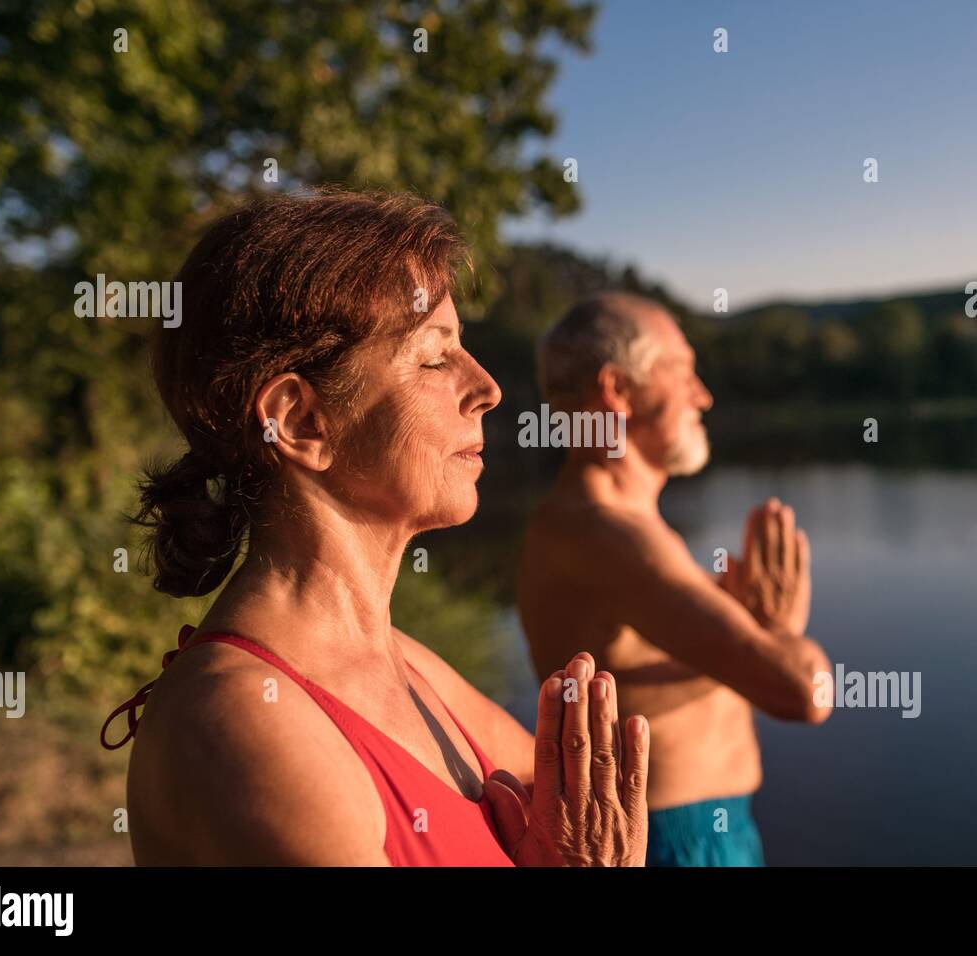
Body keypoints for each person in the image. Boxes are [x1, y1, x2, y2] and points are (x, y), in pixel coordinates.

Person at [100, 190, 649, 866]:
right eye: (433, 358)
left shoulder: (404, 661)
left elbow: (573, 813)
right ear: (301, 422)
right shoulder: (249, 727)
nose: (486, 387)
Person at [517, 292, 832, 867]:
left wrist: (755, 633)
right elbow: (803, 693)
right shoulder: (606, 535)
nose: (703, 396)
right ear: (618, 390)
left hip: (701, 829)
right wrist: (782, 631)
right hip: (676, 841)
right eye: (684, 372)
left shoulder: (602, 522)